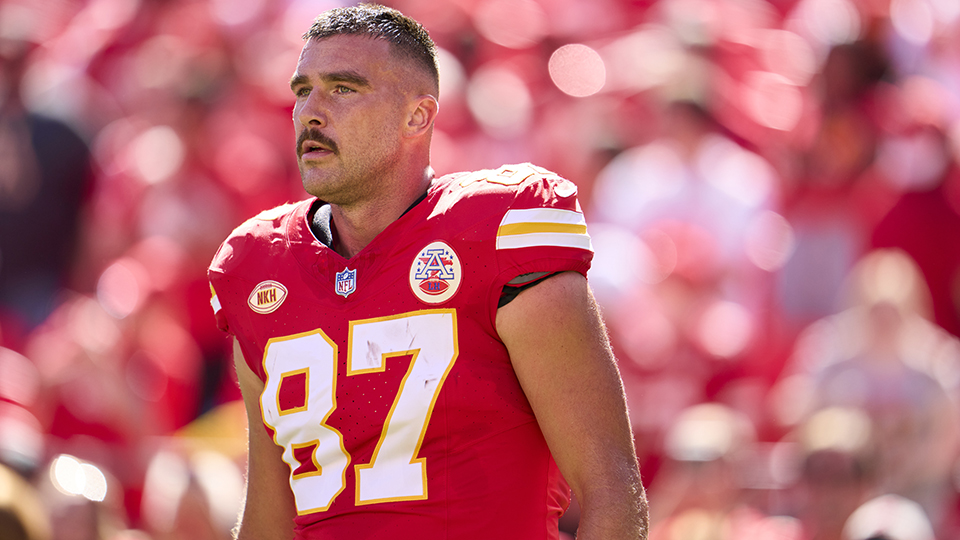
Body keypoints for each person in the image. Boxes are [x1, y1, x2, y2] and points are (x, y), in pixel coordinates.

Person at [207, 4, 647, 540]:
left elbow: (610, 488)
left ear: (417, 116)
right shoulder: (256, 267)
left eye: (343, 88)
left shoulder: (498, 231)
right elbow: (268, 519)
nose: (311, 112)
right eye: (304, 90)